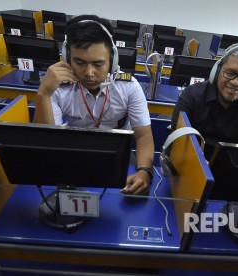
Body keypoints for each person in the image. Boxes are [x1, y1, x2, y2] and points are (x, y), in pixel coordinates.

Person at [33, 15, 154, 195]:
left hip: (119, 157)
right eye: (80, 63)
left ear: (112, 60)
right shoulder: (56, 86)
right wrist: (43, 94)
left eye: (98, 64)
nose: (89, 73)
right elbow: (47, 145)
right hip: (72, 153)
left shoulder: (129, 87)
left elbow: (143, 137)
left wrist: (144, 171)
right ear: (67, 58)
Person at [170, 43, 238, 158]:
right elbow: (177, 144)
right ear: (217, 71)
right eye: (230, 73)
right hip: (191, 163)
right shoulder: (192, 95)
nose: (235, 82)